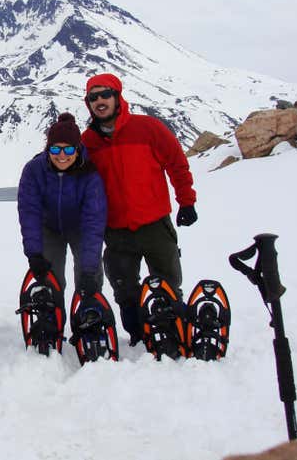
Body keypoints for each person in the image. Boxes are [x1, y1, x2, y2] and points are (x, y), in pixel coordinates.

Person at [81, 73, 197, 344]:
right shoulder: (88, 142)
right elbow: (78, 179)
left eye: (105, 94)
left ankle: (173, 332)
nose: (99, 101)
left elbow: (177, 163)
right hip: (116, 229)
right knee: (125, 290)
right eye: (93, 97)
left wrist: (186, 201)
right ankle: (138, 336)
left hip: (154, 223)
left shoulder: (148, 128)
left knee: (168, 283)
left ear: (117, 97)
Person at [17, 112, 107, 298]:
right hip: (48, 227)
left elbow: (94, 220)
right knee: (49, 281)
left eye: (69, 150)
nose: (62, 155)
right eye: (56, 149)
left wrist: (89, 271)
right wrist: (34, 254)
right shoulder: (34, 170)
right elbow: (30, 213)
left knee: (89, 278)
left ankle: (89, 309)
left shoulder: (89, 173)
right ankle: (51, 312)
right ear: (48, 149)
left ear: (78, 149)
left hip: (80, 228)